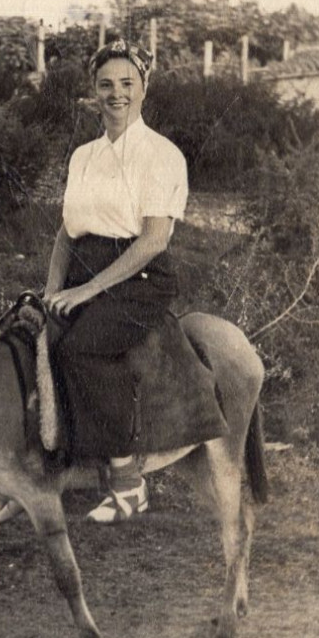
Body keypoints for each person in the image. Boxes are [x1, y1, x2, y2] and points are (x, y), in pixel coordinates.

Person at [44, 38, 189, 524]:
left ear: (143, 88)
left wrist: (85, 292)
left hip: (140, 278)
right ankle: (54, 466)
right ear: (93, 91)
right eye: (105, 84)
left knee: (81, 348)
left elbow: (152, 241)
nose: (116, 93)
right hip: (86, 268)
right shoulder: (83, 156)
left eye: (127, 83)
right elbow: (67, 232)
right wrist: (52, 290)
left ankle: (128, 482)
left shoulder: (161, 154)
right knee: (34, 339)